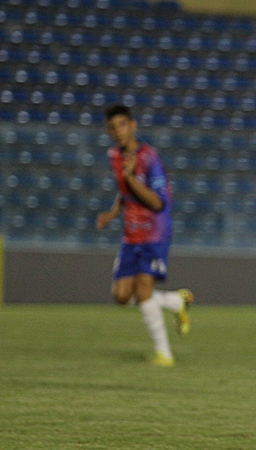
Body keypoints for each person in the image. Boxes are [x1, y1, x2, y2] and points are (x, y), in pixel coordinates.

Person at [96, 104, 193, 368]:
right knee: (121, 296)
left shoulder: (150, 158)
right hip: (131, 233)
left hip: (154, 231)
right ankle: (176, 301)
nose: (118, 131)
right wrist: (113, 211)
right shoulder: (114, 155)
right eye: (113, 127)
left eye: (122, 125)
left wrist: (131, 178)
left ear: (133, 125)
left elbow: (158, 203)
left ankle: (164, 355)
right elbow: (124, 191)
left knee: (143, 290)